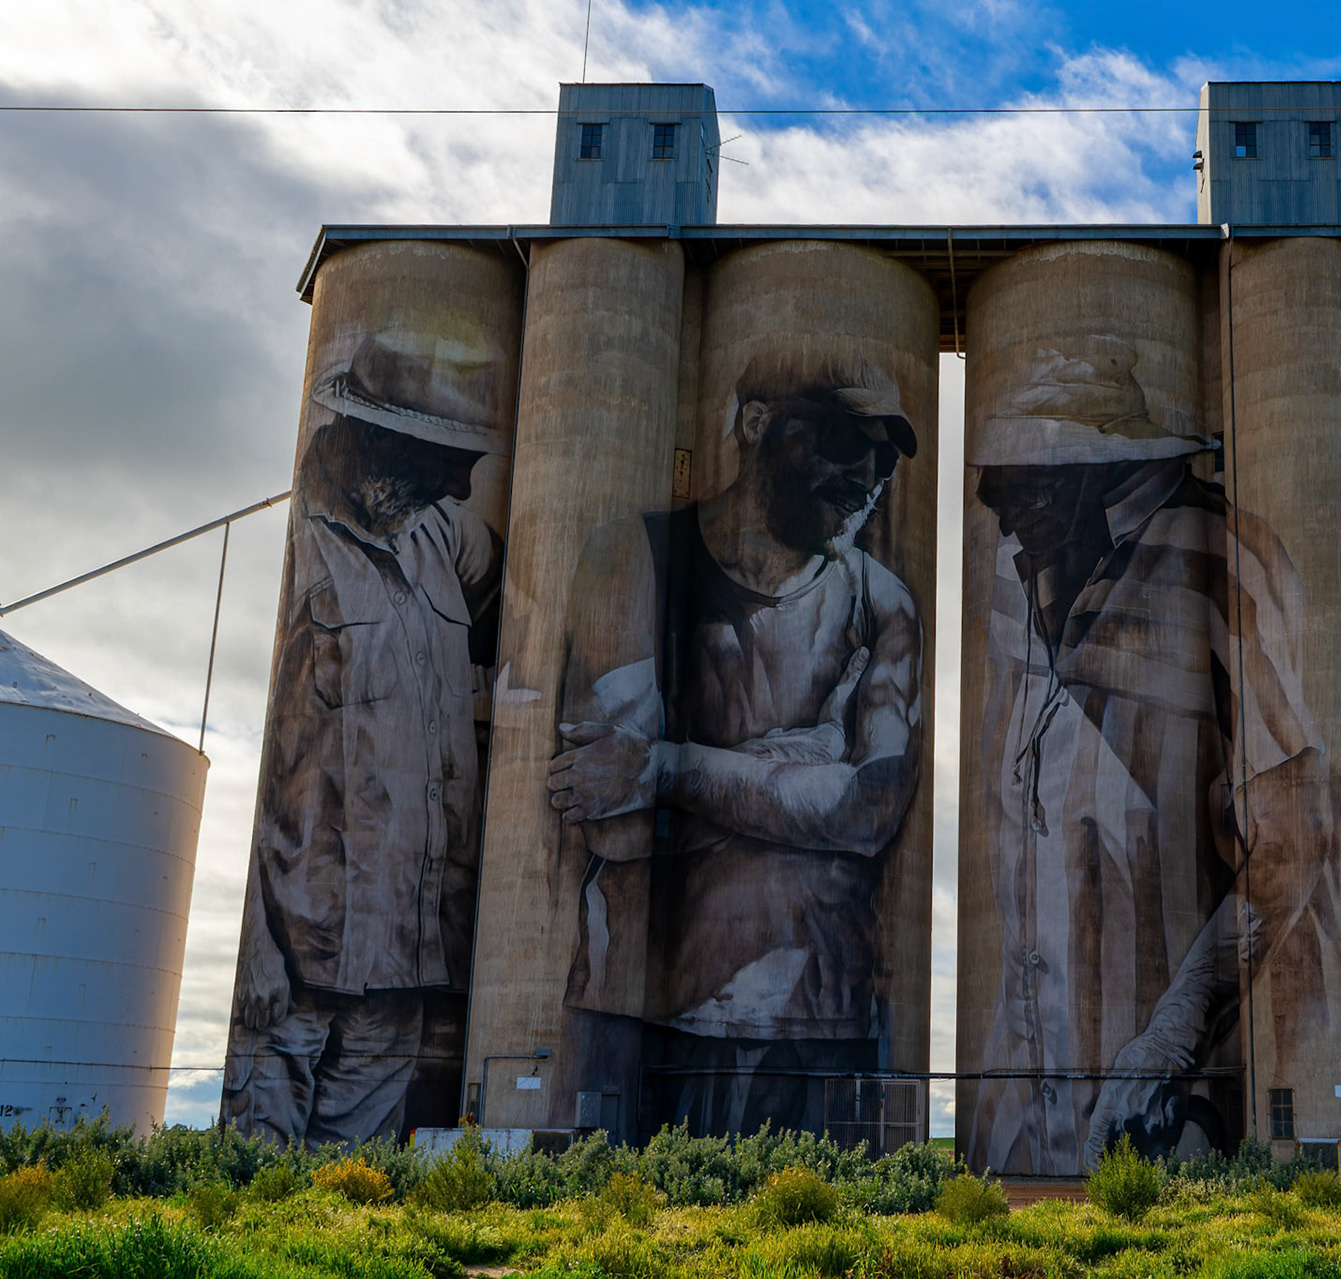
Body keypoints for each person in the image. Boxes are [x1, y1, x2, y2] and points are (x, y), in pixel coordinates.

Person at [965, 338, 1334, 1176]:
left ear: (1102, 469)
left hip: (1167, 1103)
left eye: (1024, 481)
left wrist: (1169, 1040)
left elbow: (1295, 835)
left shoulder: (1223, 558)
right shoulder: (1017, 579)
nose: (997, 506)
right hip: (1020, 1103)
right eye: (993, 480)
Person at [546, 350, 924, 1141]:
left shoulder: (881, 601)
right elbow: (612, 823)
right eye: (844, 442)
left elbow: (868, 810)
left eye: (885, 461)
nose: (868, 477)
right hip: (644, 1017)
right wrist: (817, 751)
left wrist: (666, 766)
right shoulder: (636, 557)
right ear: (756, 424)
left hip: (824, 1023)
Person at [223, 333, 506, 1145]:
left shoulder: (435, 535)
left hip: (403, 961)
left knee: (353, 1194)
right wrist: (258, 953)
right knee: (256, 1186)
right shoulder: (308, 550)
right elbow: (275, 771)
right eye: (445, 461)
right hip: (297, 969)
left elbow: (520, 562)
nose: (462, 486)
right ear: (379, 440)